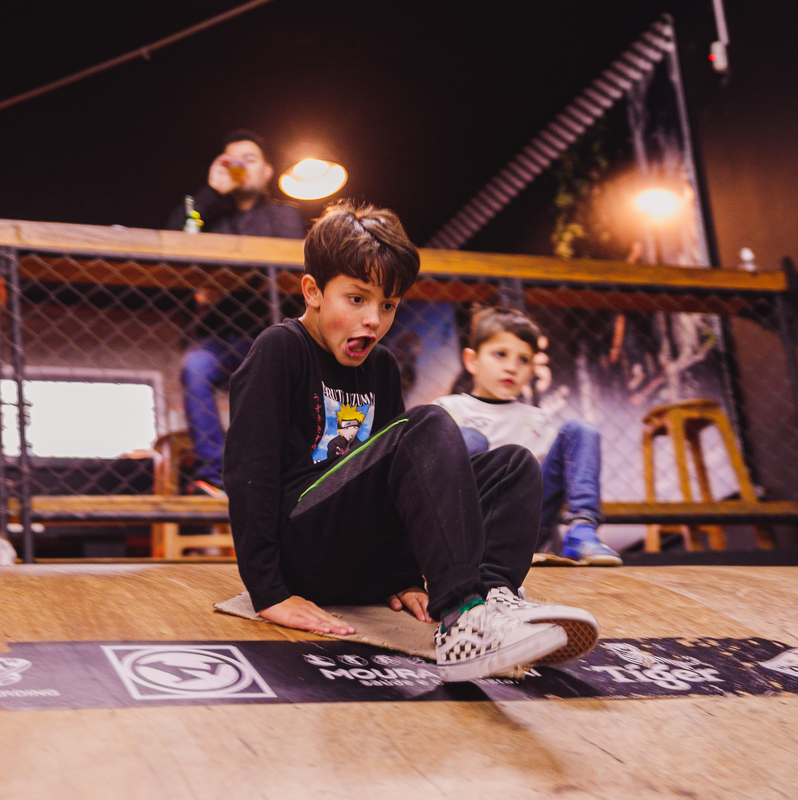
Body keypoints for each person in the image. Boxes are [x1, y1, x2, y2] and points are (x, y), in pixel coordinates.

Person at [224, 202, 600, 682]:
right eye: (356, 299)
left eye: (388, 305)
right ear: (313, 291)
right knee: (427, 425)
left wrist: (402, 576)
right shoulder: (280, 350)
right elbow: (248, 475)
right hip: (302, 549)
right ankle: (463, 618)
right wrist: (269, 592)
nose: (373, 320)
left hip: (357, 559)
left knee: (514, 464)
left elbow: (399, 483)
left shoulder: (381, 366)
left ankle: (492, 599)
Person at [165, 130, 306, 497]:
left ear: (267, 171)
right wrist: (210, 192)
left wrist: (224, 280)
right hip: (218, 335)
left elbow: (289, 264)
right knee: (195, 367)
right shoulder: (208, 217)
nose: (241, 165)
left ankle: (281, 472)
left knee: (277, 390)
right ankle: (217, 474)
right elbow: (177, 235)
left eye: (250, 159)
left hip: (271, 332)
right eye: (233, 160)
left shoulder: (284, 214)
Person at [433, 307, 623, 565]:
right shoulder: (447, 408)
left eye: (523, 360)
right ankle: (461, 551)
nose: (511, 367)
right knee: (468, 439)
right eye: (500, 354)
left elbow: (550, 482)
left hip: (525, 528)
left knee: (581, 431)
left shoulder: (538, 420)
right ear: (472, 360)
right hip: (466, 527)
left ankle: (582, 531)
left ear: (533, 369)